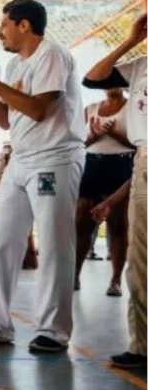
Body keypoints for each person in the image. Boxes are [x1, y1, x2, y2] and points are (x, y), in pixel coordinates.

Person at [0, 0, 83, 352]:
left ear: (24, 25)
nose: (0, 32)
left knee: (54, 244)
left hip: (54, 159)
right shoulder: (14, 64)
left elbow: (39, 110)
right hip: (21, 159)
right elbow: (5, 120)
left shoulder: (52, 54)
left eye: (5, 25)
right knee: (1, 242)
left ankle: (53, 331)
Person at [84, 13, 146, 369]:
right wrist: (131, 40)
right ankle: (142, 347)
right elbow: (93, 78)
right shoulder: (139, 66)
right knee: (141, 261)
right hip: (143, 159)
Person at [74, 87, 134, 295]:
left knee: (118, 226)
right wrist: (94, 136)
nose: (110, 85)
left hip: (122, 165)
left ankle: (116, 280)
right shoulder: (90, 109)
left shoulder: (133, 107)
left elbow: (141, 144)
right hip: (92, 165)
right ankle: (74, 275)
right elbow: (77, 143)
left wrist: (115, 134)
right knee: (82, 224)